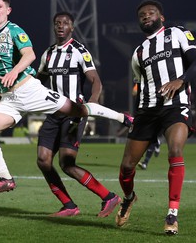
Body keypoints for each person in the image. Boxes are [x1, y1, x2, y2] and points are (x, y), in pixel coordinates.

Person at [0, 0, 133, 196]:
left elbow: (30, 54)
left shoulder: (14, 30)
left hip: (29, 90)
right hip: (10, 98)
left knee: (79, 110)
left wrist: (15, 70)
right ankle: (6, 178)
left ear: (8, 10)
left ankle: (123, 117)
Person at [115, 0, 196, 235]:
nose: (146, 16)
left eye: (151, 13)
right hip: (147, 111)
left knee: (175, 150)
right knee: (126, 168)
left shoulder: (178, 33)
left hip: (176, 106)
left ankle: (172, 214)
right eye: (142, 15)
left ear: (161, 17)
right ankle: (129, 198)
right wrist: (138, 117)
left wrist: (180, 80)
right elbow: (140, 87)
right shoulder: (138, 53)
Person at [36, 12, 129, 217]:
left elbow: (95, 80)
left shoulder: (79, 51)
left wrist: (93, 103)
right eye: (57, 23)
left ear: (72, 27)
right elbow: (37, 80)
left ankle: (108, 196)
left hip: (74, 114)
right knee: (43, 160)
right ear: (54, 27)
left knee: (66, 163)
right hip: (53, 114)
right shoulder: (48, 54)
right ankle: (69, 205)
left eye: (65, 23)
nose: (61, 26)